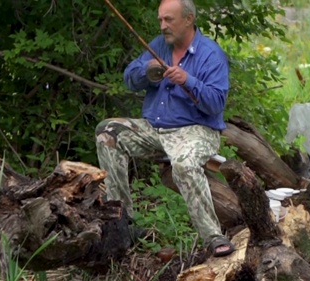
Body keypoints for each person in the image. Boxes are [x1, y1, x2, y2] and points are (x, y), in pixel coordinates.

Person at [95, 0, 234, 257]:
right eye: (160, 20)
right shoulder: (159, 46)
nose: (162, 26)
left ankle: (213, 236)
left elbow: (216, 104)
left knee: (183, 163)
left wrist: (188, 81)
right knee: (108, 131)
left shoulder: (211, 54)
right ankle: (123, 222)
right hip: (154, 130)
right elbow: (129, 79)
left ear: (189, 19)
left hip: (197, 131)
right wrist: (146, 70)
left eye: (168, 20)